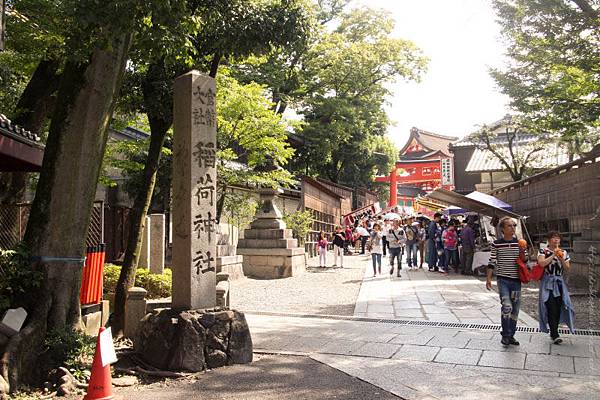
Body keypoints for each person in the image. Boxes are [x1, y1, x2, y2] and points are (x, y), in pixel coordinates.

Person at [486, 217, 527, 346]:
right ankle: (505, 334)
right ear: (503, 229)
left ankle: (511, 335)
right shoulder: (496, 244)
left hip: (516, 281)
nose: (513, 228)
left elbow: (525, 261)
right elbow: (492, 261)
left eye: (514, 225)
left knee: (515, 309)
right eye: (509, 226)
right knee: (507, 306)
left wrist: (522, 251)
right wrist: (488, 278)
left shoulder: (519, 243)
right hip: (503, 280)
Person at [537, 231, 575, 344]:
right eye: (553, 238)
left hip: (559, 282)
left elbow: (567, 267)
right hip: (547, 282)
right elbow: (541, 263)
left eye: (558, 238)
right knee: (550, 305)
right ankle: (554, 334)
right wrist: (553, 255)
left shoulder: (563, 252)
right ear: (548, 240)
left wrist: (561, 257)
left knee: (559, 306)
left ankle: (554, 330)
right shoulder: (543, 251)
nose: (556, 240)